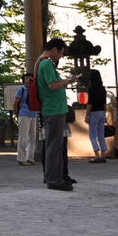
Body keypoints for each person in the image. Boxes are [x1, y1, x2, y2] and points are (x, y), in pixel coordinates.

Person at [35, 38, 79, 191]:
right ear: (54, 49)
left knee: (53, 145)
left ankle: (54, 177)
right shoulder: (46, 63)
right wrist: (67, 81)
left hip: (52, 109)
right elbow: (52, 85)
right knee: (55, 146)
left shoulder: (40, 62)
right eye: (60, 53)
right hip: (53, 110)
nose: (60, 56)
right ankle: (54, 180)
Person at [12, 72, 38, 165]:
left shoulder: (35, 90)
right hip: (24, 114)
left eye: (30, 78)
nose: (28, 80)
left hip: (34, 115)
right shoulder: (21, 90)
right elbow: (15, 103)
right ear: (23, 80)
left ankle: (30, 158)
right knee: (23, 137)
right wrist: (17, 115)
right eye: (26, 78)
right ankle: (21, 159)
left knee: (33, 138)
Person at [85, 69, 109, 163]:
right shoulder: (103, 88)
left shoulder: (91, 89)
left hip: (94, 112)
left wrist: (87, 115)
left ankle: (97, 155)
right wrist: (105, 114)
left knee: (92, 134)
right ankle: (103, 155)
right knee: (101, 134)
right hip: (102, 112)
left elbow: (89, 103)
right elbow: (104, 103)